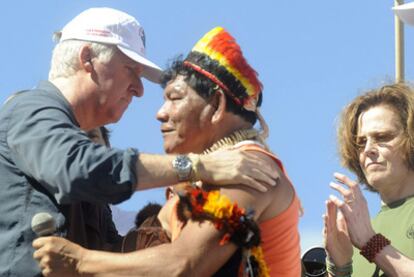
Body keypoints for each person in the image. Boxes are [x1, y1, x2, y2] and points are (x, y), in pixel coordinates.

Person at [0, 8, 278, 277]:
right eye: (131, 70)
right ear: (87, 59)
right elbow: (78, 168)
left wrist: (167, 224)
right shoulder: (30, 109)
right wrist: (198, 166)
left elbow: (106, 254)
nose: (140, 89)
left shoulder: (71, 147)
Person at [324, 83, 414, 276]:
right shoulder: (357, 234)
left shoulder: (364, 236)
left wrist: (371, 244)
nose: (368, 150)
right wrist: (339, 268)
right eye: (361, 142)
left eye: (382, 137)